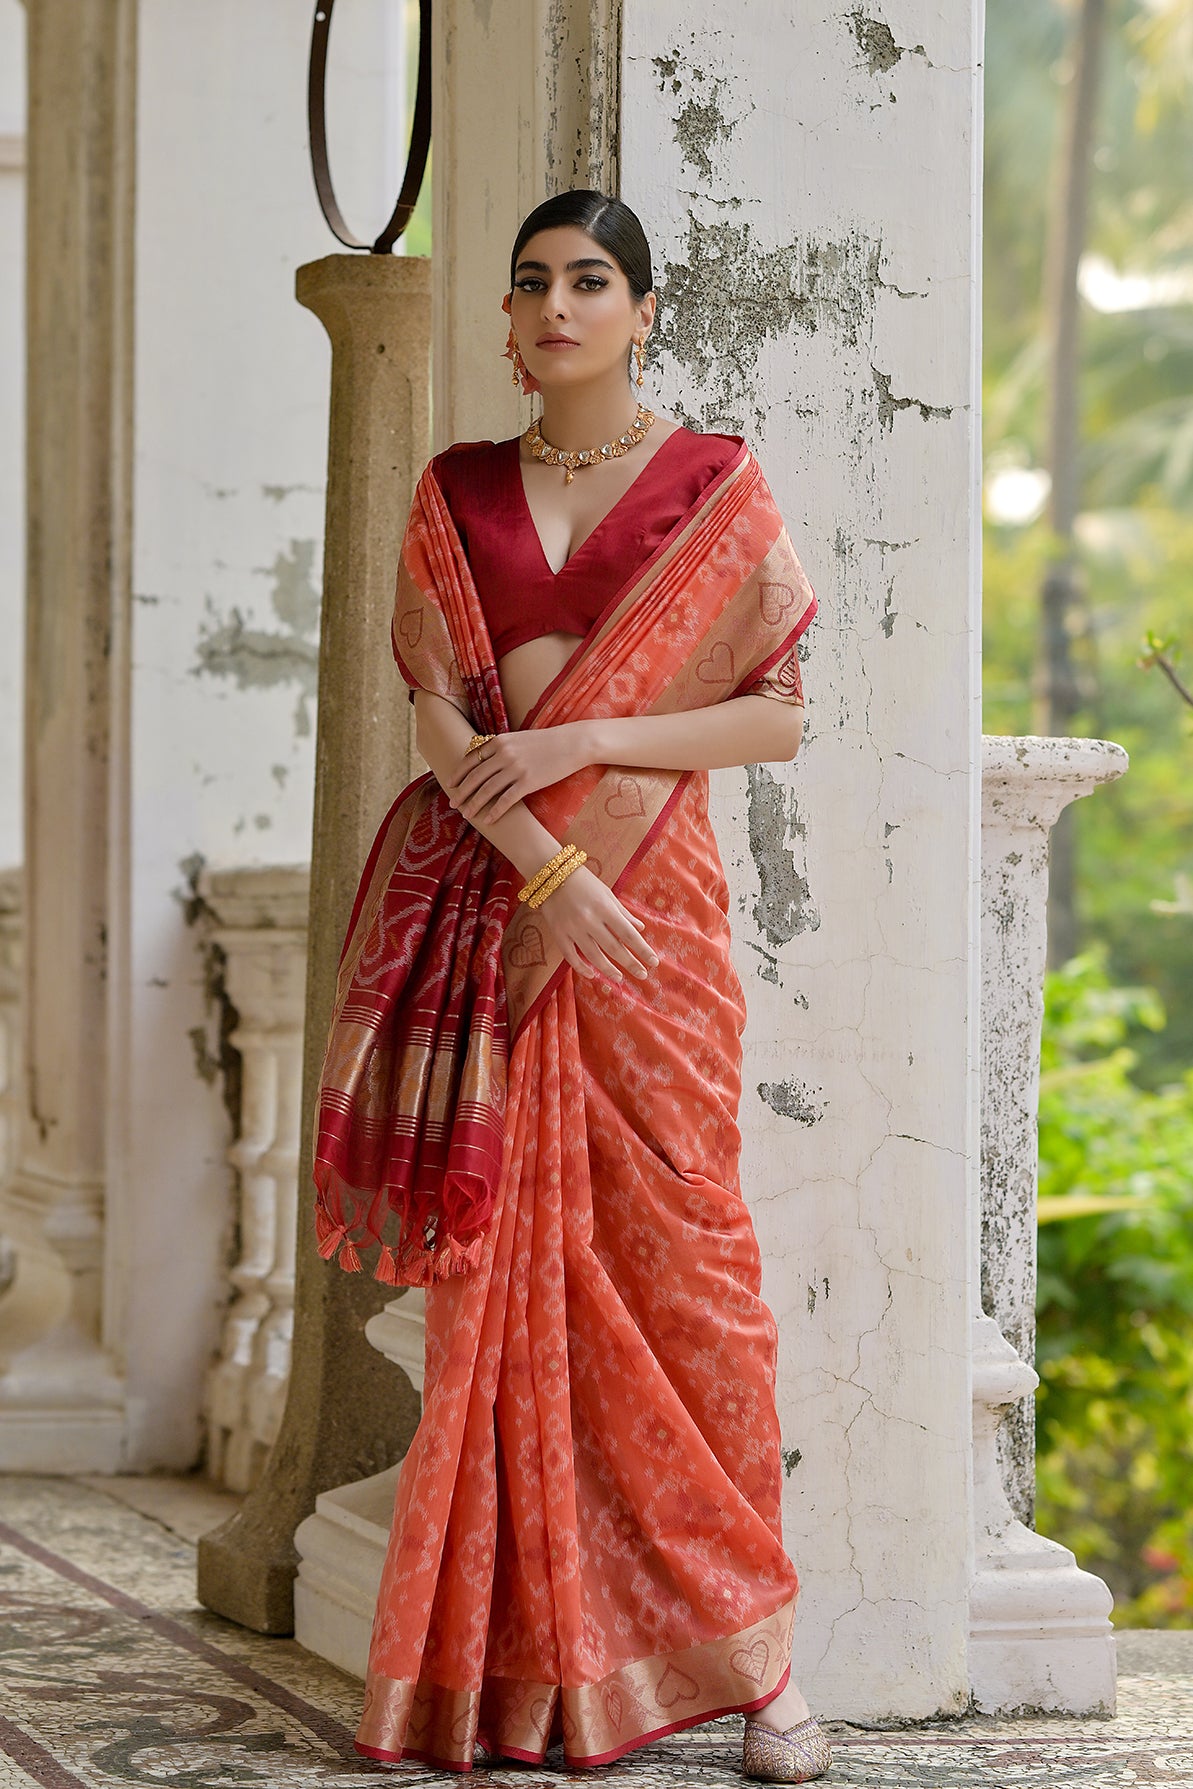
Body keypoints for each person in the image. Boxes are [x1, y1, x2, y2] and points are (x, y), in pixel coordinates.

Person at [311, 189, 830, 1784]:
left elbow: (777, 717)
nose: (555, 306)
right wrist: (546, 866)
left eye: (589, 281)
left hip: (650, 923)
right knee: (501, 1295)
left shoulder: (712, 490)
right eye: (530, 281)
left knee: (690, 1287)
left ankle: (764, 1668)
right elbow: (441, 722)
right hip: (511, 912)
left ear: (643, 310)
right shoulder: (456, 492)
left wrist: (594, 740)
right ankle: (521, 1676)